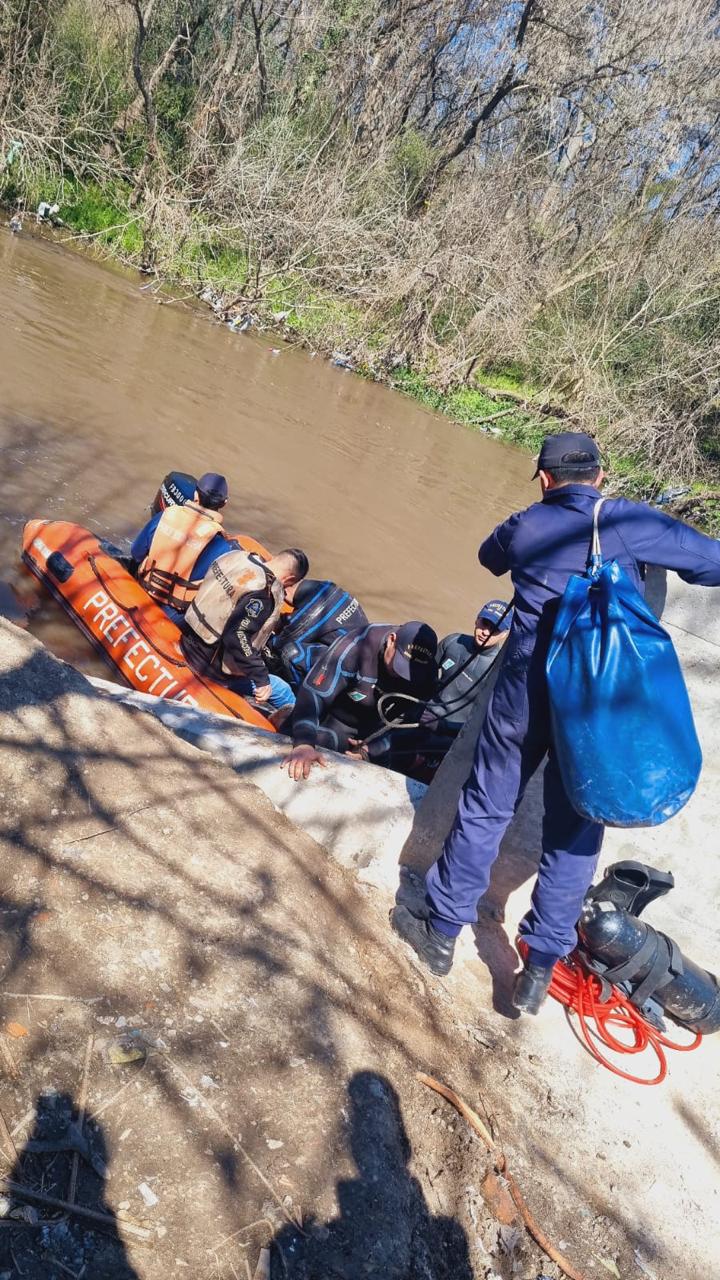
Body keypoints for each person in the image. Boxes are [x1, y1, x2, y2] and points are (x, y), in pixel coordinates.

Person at [391, 430, 720, 1015]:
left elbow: (490, 555)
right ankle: (539, 967)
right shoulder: (625, 522)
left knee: (487, 803)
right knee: (577, 831)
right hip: (591, 706)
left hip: (521, 692)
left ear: (544, 479)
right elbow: (710, 565)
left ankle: (440, 932)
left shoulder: (527, 525)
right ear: (600, 475)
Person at [282, 620, 439, 780]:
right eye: (398, 665)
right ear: (392, 640)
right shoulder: (358, 645)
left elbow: (411, 724)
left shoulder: (428, 674)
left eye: (410, 672)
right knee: (312, 742)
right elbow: (313, 694)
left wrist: (371, 751)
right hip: (336, 721)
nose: (400, 674)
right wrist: (304, 742)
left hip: (378, 733)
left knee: (408, 752)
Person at [181, 545, 309, 713]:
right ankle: (296, 731)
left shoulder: (238, 558)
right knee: (281, 689)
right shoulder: (264, 593)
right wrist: (260, 677)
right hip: (210, 665)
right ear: (290, 579)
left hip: (189, 640)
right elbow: (236, 635)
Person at [129, 471, 236, 621]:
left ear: (195, 495)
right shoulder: (221, 544)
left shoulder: (167, 514)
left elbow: (136, 552)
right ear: (224, 504)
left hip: (142, 589)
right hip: (172, 615)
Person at [426, 599, 512, 733]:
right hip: (425, 714)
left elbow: (486, 723)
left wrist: (442, 727)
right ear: (477, 619)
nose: (486, 632)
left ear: (504, 634)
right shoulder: (453, 642)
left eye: (495, 629)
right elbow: (423, 677)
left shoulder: (499, 670)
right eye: (485, 623)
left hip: (452, 736)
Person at [270, 578, 369, 684]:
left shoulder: (315, 610)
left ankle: (297, 697)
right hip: (363, 654)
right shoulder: (327, 587)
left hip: (350, 669)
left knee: (291, 653)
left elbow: (281, 642)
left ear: (284, 589)